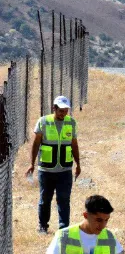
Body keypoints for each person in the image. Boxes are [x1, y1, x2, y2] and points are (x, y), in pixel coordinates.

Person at [26, 96, 80, 234]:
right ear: (54, 108)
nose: (63, 113)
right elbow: (36, 143)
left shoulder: (71, 123)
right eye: (61, 110)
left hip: (65, 170)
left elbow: (74, 144)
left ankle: (64, 229)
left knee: (64, 199)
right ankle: (43, 226)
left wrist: (78, 164)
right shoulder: (43, 122)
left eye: (65, 110)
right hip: (46, 169)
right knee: (45, 199)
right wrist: (31, 164)